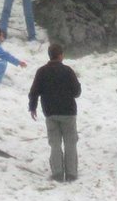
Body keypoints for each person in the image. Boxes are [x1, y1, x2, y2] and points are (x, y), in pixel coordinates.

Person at [28, 43, 82, 182]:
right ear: (60, 55)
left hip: (50, 112)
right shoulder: (68, 71)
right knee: (70, 143)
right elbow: (77, 92)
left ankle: (57, 173)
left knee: (55, 144)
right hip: (68, 112)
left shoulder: (41, 72)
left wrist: (32, 107)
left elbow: (34, 92)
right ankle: (71, 173)